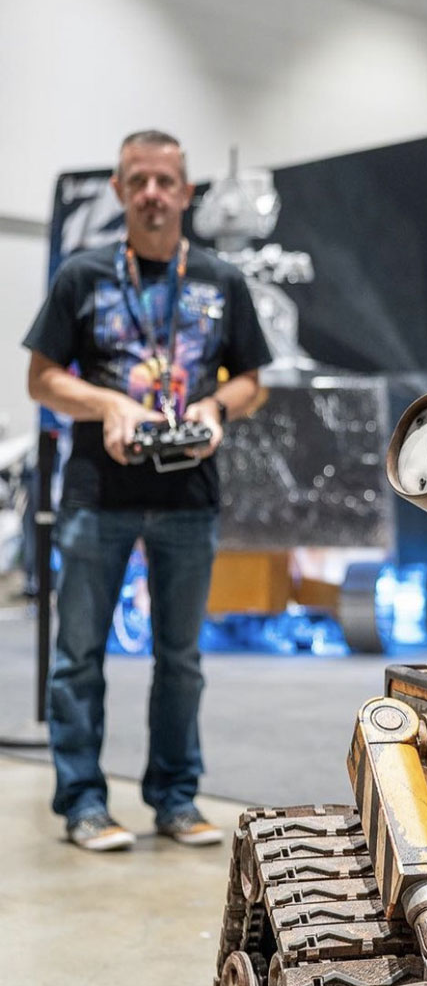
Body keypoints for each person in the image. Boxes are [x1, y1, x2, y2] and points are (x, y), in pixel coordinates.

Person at [24, 129, 271, 851]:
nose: (153, 194)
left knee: (182, 659)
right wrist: (109, 405)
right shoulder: (84, 274)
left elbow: (254, 378)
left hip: (189, 493)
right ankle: (83, 803)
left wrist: (215, 408)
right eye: (139, 181)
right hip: (96, 495)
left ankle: (175, 795)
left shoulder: (221, 280)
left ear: (187, 193)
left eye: (165, 181)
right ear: (119, 191)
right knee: (78, 656)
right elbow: (40, 378)